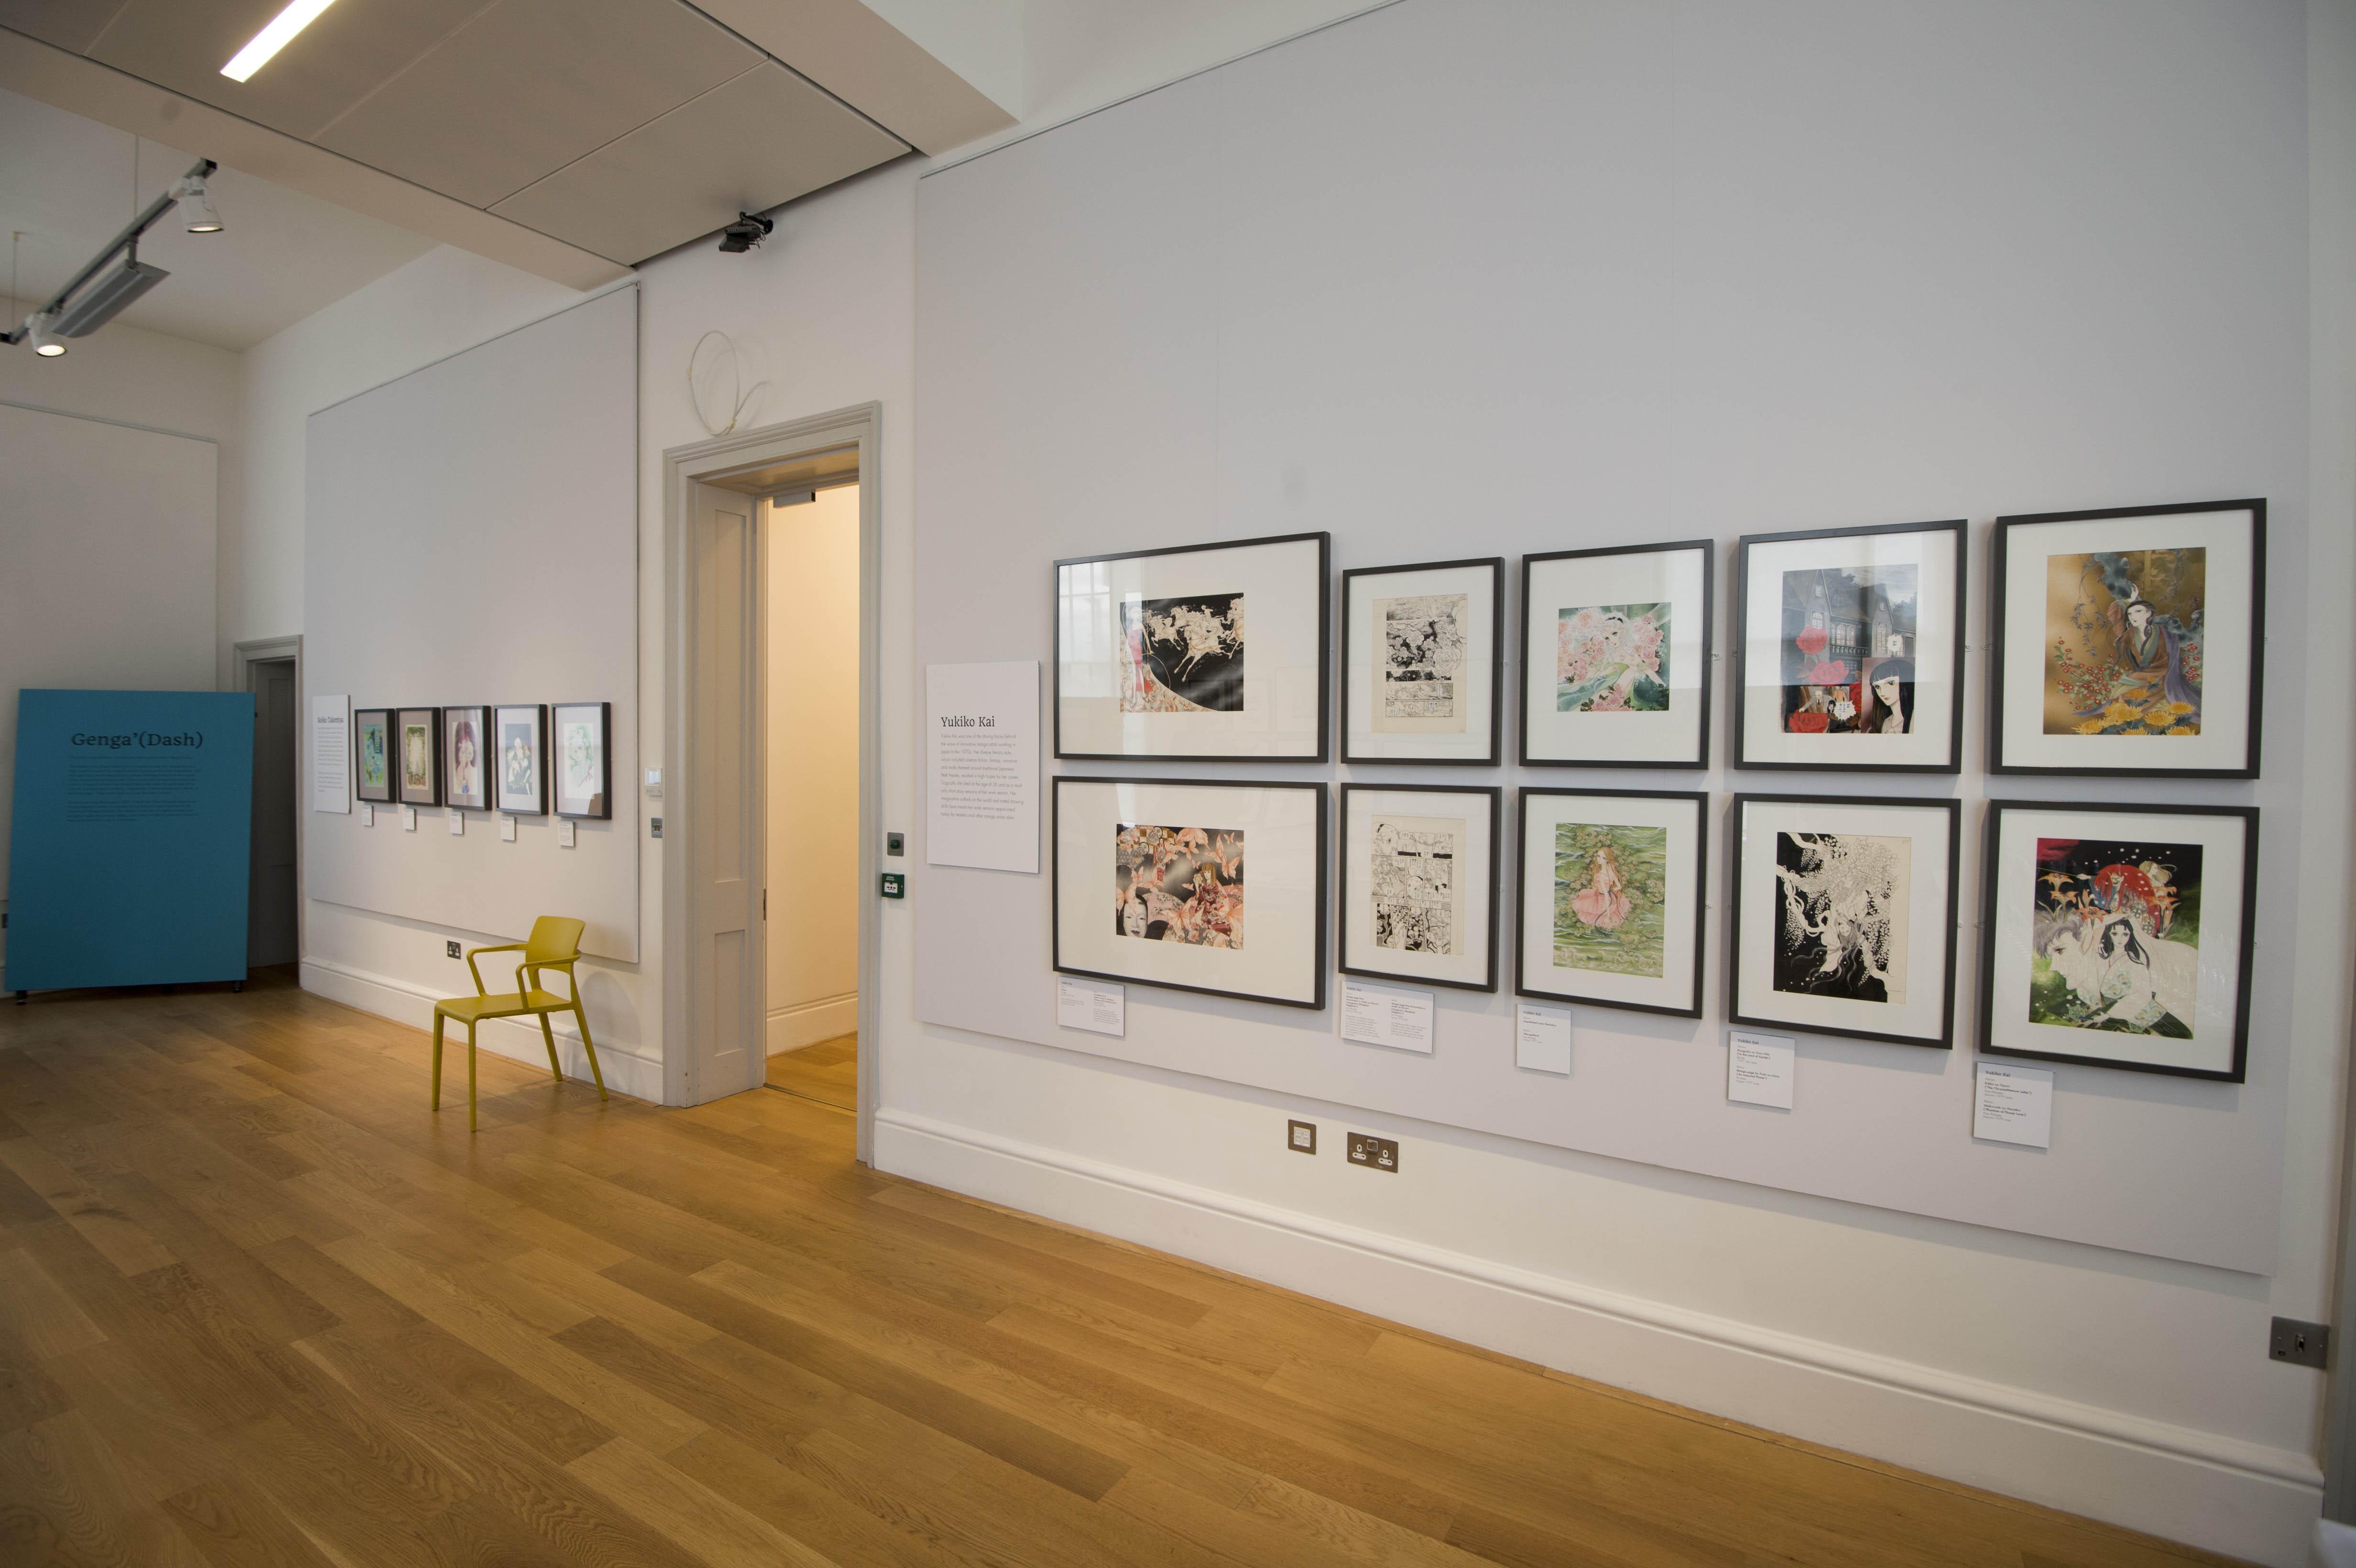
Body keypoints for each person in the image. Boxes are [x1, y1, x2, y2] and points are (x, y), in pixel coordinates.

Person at [1569, 844, 1633, 931]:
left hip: (1604, 903)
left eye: (1603, 858)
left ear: (1607, 860)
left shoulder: (1601, 876)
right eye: (1599, 856)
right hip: (1612, 900)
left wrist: (1609, 915)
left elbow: (1606, 896)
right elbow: (1619, 887)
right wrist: (1612, 891)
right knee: (1584, 897)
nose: (1599, 859)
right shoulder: (1611, 870)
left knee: (1580, 904)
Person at [1864, 656, 1914, 734]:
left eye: (1891, 683)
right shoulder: (1882, 724)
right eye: (1877, 687)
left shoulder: (1916, 721)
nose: (1882, 692)